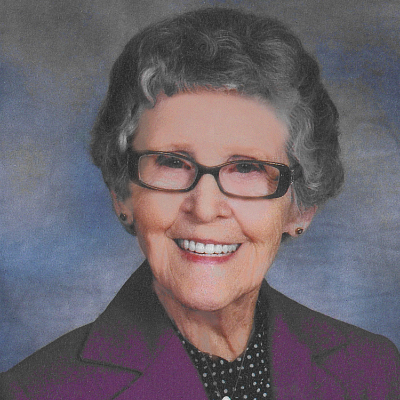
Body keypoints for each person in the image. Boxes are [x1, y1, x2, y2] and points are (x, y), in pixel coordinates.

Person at [0, 7, 398, 400]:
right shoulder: (35, 392)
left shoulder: (375, 372)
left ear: (301, 207)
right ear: (122, 193)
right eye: (172, 163)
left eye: (246, 167)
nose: (205, 208)